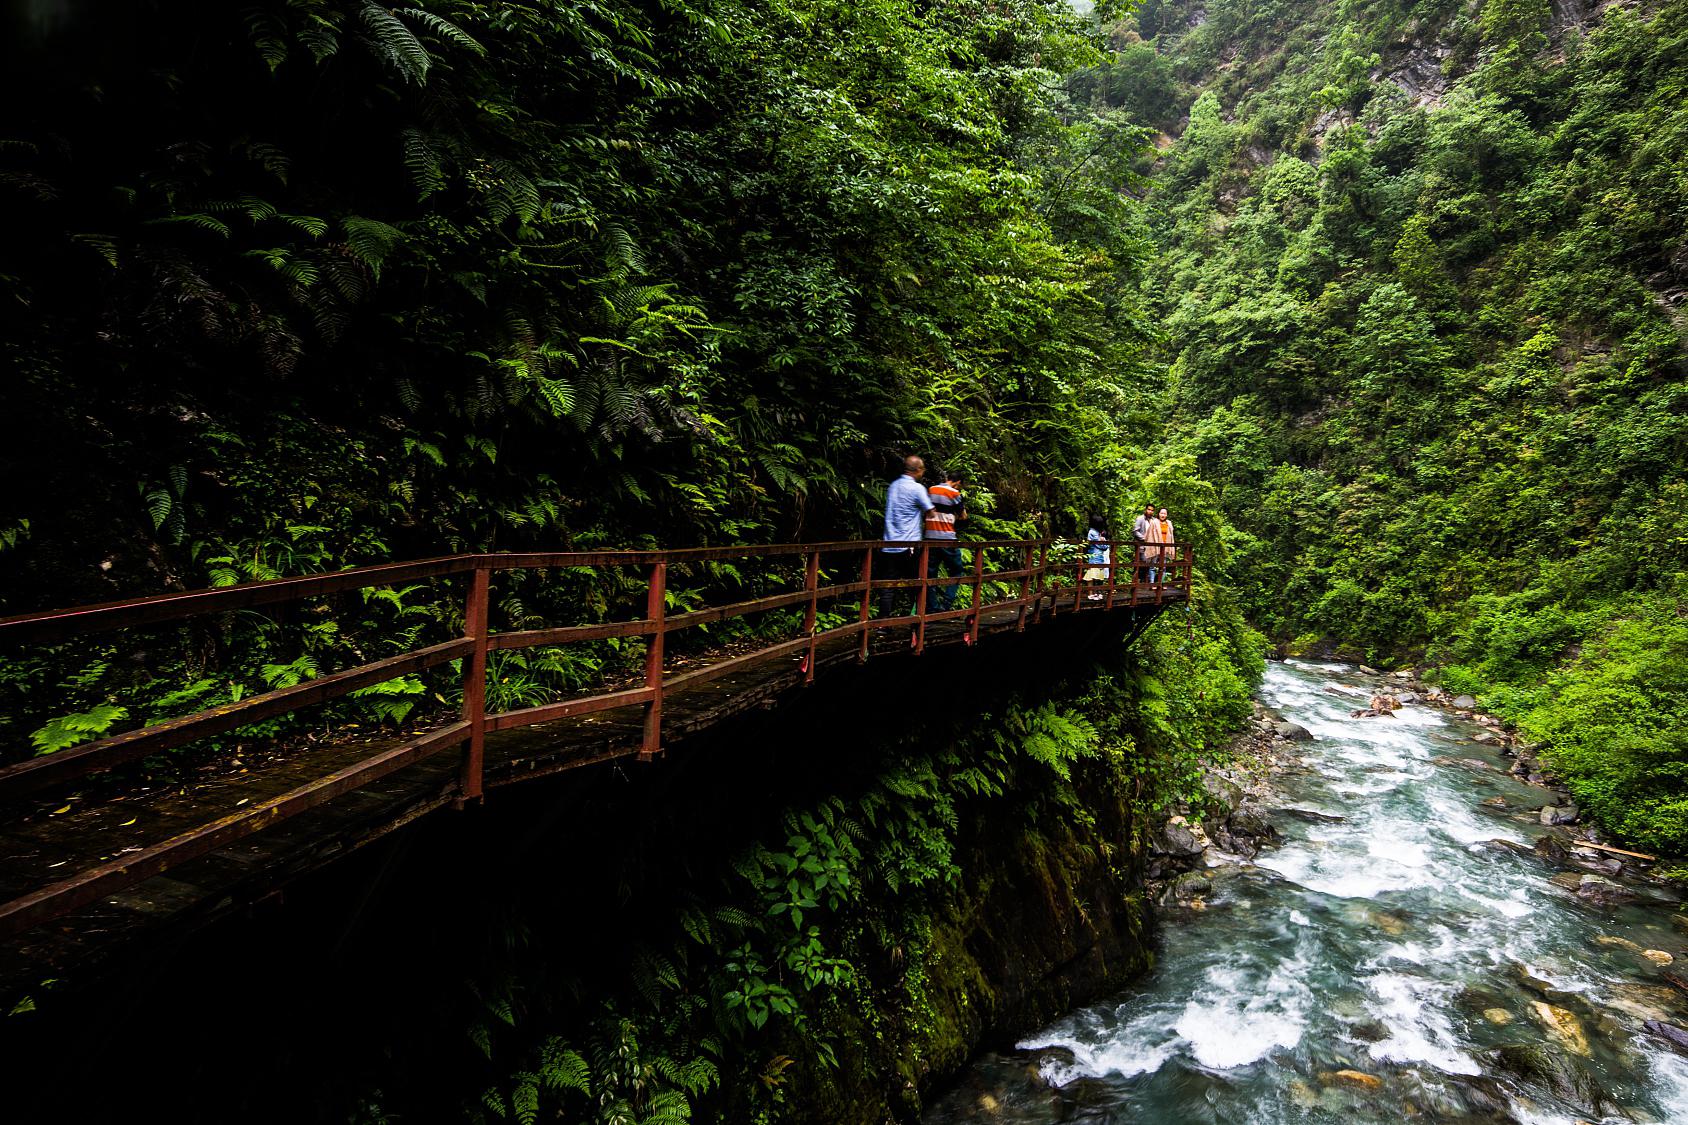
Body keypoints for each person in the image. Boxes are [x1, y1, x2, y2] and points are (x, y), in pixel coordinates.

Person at [879, 455, 933, 619]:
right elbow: (930, 511)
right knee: (915, 584)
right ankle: (914, 620)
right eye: (922, 468)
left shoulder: (893, 486)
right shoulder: (917, 489)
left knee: (888, 585)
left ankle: (883, 624)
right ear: (917, 470)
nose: (923, 472)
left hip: (889, 544)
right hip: (908, 545)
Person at [924, 468, 967, 612]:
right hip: (947, 538)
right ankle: (946, 604)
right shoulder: (954, 493)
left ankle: (932, 607)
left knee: (930, 574)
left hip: (930, 537)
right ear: (958, 482)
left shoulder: (931, 489)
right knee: (957, 570)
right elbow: (963, 515)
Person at [1083, 514, 1111, 601]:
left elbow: (1103, 545)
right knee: (1092, 576)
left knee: (1098, 576)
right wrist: (1104, 541)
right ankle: (1091, 594)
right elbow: (1103, 546)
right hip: (1094, 557)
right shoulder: (1093, 533)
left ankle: (1097, 593)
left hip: (1099, 557)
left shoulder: (1096, 532)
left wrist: (1103, 541)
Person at [1132, 504, 1155, 588]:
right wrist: (1144, 538)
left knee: (1148, 565)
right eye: (1149, 509)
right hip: (1141, 546)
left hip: (1151, 547)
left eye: (1152, 510)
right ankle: (1135, 584)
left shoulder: (1153, 520)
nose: (1150, 511)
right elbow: (1135, 531)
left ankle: (1144, 584)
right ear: (1145, 510)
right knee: (1140, 564)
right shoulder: (1140, 518)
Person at [1155, 507, 1176, 586]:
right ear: (1158, 514)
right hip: (1155, 547)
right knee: (1153, 566)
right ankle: (1152, 584)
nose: (1163, 515)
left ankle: (1161, 583)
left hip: (1165, 548)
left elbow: (1171, 536)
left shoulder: (1169, 523)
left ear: (1166, 515)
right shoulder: (1154, 522)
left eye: (1164, 513)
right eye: (1161, 513)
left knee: (1163, 567)